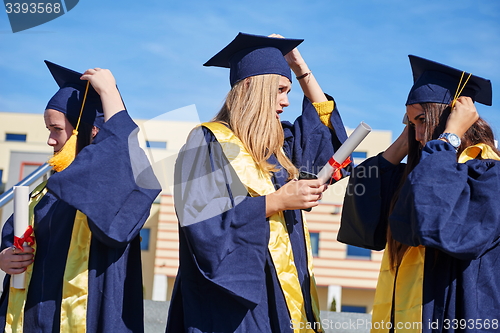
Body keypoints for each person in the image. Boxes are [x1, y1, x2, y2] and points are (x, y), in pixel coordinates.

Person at [166, 32, 351, 333]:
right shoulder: (206, 142)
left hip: (286, 292)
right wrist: (277, 201)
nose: (287, 102)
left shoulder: (281, 147)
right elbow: (202, 223)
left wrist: (299, 65)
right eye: (279, 90)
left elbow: (326, 139)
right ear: (253, 87)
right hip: (236, 302)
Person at [338, 55, 500, 333]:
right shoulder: (417, 176)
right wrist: (406, 141)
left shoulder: (487, 175)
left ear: (452, 118)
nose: (418, 134)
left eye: (424, 120)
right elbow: (364, 207)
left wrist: (447, 138)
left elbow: (434, 222)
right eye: (412, 124)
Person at [0, 61, 161, 332]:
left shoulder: (109, 183)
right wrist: (5, 256)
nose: (50, 140)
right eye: (48, 130)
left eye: (57, 129)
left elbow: (123, 161)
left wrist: (111, 96)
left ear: (92, 131)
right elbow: (13, 237)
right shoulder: (43, 191)